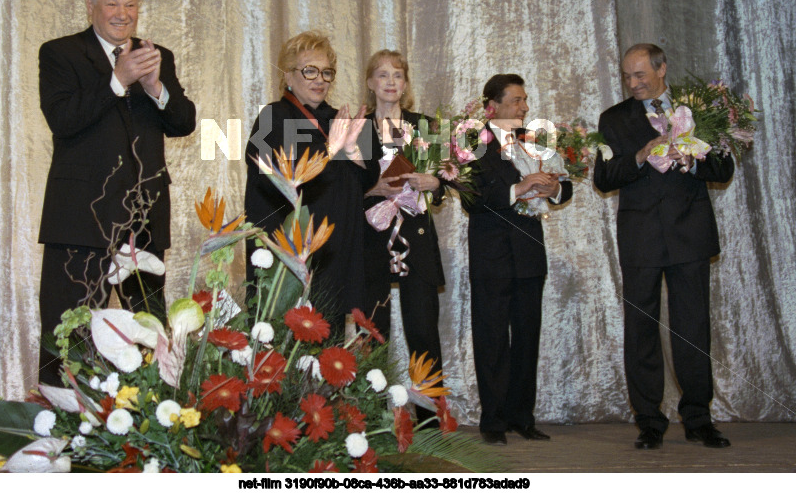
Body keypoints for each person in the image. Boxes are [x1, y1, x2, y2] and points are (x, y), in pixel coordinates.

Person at [37, 0, 196, 385]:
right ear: (91, 7)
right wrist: (117, 79)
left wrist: (155, 86)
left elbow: (183, 122)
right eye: (112, 4)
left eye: (131, 4)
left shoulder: (155, 53)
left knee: (146, 324)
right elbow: (63, 119)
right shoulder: (59, 53)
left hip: (142, 217)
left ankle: (150, 426)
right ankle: (63, 428)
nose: (123, 13)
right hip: (80, 219)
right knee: (68, 328)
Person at [594, 43, 734, 450]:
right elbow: (603, 178)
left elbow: (723, 168)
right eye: (627, 76)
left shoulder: (699, 109)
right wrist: (638, 156)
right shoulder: (613, 119)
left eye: (640, 75)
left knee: (693, 328)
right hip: (640, 239)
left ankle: (698, 417)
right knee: (641, 330)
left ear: (661, 69)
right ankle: (649, 420)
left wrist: (693, 160)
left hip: (689, 235)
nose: (633, 83)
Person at [464, 74, 573, 445]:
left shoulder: (534, 142)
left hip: (529, 256)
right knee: (492, 340)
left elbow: (566, 184)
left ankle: (522, 417)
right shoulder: (471, 143)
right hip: (491, 257)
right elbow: (471, 197)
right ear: (492, 106)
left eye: (526, 100)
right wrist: (519, 187)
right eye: (516, 101)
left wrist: (556, 187)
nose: (525, 107)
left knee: (527, 339)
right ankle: (493, 421)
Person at [244, 31, 376, 330]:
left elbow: (367, 183)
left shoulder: (339, 118)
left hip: (334, 255)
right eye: (310, 71)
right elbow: (272, 178)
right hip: (289, 255)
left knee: (330, 347)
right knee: (284, 352)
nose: (320, 79)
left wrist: (353, 146)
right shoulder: (272, 116)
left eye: (327, 72)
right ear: (288, 76)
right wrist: (330, 148)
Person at [362, 50, 447, 422]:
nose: (391, 81)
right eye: (382, 75)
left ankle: (429, 421)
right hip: (370, 241)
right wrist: (371, 188)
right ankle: (371, 419)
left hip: (417, 239)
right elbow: (341, 188)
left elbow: (446, 182)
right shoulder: (354, 128)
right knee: (371, 335)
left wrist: (436, 183)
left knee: (424, 334)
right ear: (370, 83)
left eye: (398, 75)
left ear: (407, 83)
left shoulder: (425, 125)